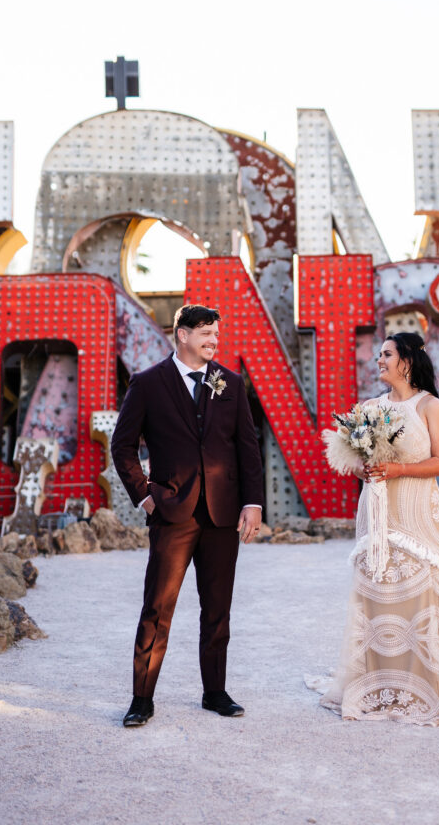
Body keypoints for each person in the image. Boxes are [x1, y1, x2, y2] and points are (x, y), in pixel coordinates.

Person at [314, 331, 439, 724]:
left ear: (407, 360)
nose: (379, 360)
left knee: (419, 593)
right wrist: (365, 467)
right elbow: (354, 461)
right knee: (378, 593)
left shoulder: (431, 406)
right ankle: (376, 685)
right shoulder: (369, 408)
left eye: (387, 354)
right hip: (377, 510)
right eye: (379, 355)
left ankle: (423, 685)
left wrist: (396, 468)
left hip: (417, 510)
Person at [111, 304, 264, 727]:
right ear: (182, 334)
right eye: (206, 333)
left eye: (216, 333)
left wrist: (253, 502)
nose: (214, 340)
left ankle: (215, 692)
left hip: (221, 515)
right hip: (171, 512)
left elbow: (247, 447)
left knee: (218, 609)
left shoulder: (230, 382)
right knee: (157, 608)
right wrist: (145, 496)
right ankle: (142, 699)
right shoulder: (147, 383)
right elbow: (122, 446)